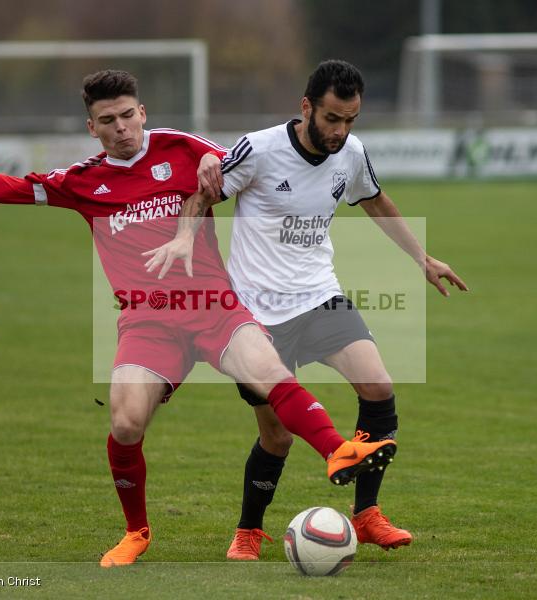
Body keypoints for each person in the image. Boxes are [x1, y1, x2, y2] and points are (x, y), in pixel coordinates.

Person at [0, 69, 398, 568]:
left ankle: (337, 451)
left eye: (128, 116)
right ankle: (136, 532)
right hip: (148, 322)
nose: (121, 127)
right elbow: (10, 188)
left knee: (270, 373)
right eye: (107, 120)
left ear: (143, 113)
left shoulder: (181, 147)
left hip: (214, 307)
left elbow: (237, 164)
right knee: (126, 422)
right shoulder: (83, 182)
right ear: (93, 128)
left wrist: (211, 169)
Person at [145, 59, 467, 560]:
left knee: (378, 387)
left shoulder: (351, 153)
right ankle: (248, 531)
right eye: (333, 118)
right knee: (276, 438)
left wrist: (422, 258)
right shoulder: (261, 149)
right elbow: (201, 194)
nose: (341, 130)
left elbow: (376, 201)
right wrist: (187, 237)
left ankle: (367, 514)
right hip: (255, 316)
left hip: (319, 297)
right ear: (306, 107)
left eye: (351, 120)